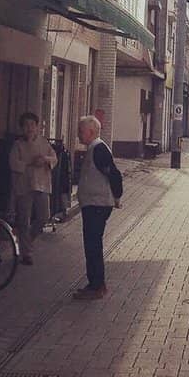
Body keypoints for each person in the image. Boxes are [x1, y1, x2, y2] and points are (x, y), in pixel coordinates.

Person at [74, 115, 123, 300]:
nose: (79, 134)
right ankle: (94, 284)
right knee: (91, 244)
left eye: (81, 131)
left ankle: (97, 285)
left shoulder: (99, 149)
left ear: (91, 132)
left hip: (97, 204)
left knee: (93, 245)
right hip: (93, 203)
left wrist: (117, 196)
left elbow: (114, 174)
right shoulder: (94, 148)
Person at [9, 112, 58, 266]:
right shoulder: (17, 145)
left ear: (37, 127)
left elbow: (54, 159)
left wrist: (45, 160)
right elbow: (13, 163)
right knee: (24, 219)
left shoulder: (44, 143)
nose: (29, 128)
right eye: (26, 125)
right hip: (24, 185)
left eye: (32, 125)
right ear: (22, 128)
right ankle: (27, 253)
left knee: (44, 216)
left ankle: (26, 241)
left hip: (42, 184)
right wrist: (30, 163)